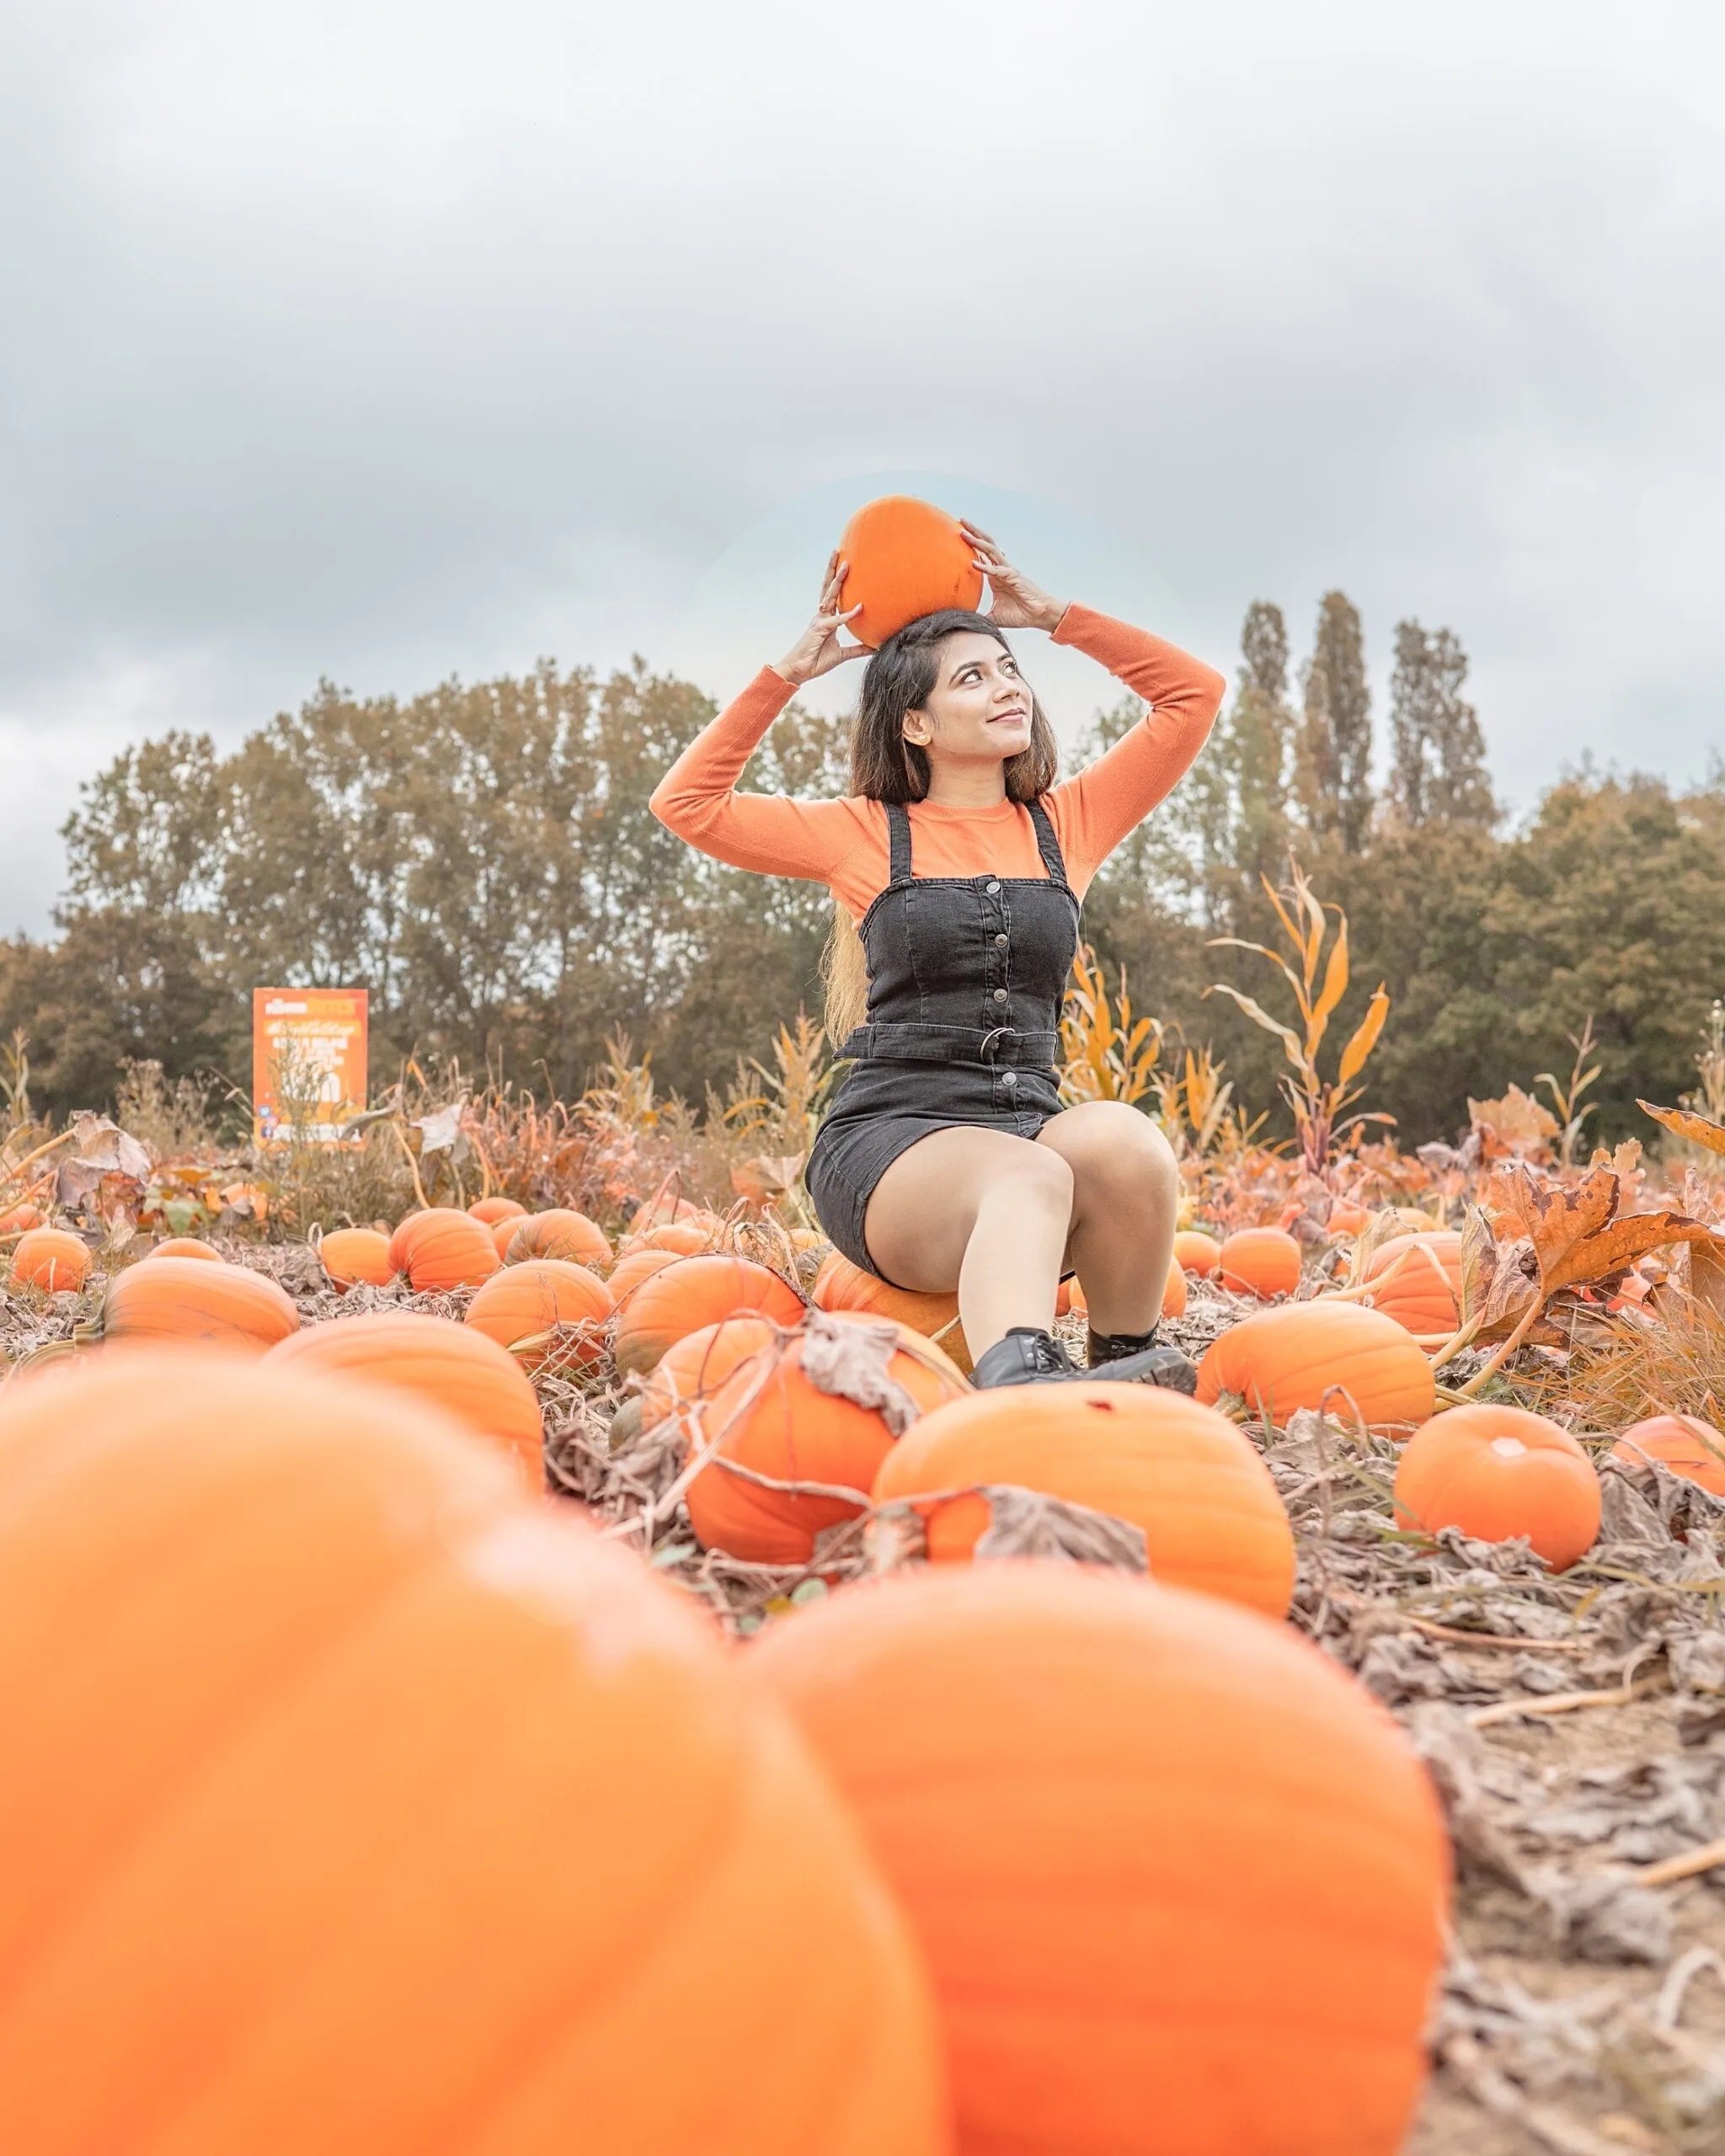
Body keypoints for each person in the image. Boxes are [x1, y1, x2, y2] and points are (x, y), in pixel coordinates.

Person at [650, 522, 1226, 1388]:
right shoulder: (862, 835)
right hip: (891, 1155)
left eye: (1008, 669)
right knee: (1027, 1174)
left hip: (1025, 1131)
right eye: (971, 678)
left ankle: (1125, 1365)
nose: (1007, 687)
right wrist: (789, 673)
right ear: (915, 722)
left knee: (1127, 1142)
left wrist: (1054, 616)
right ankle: (1020, 1383)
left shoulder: (1066, 824)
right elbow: (687, 803)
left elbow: (1192, 695)